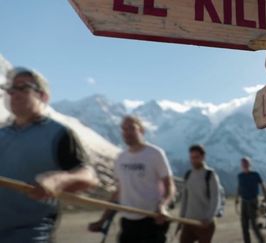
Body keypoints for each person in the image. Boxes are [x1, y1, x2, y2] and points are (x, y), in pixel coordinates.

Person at [0, 67, 99, 242]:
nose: (14, 93)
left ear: (43, 96)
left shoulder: (58, 134)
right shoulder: (2, 134)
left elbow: (89, 176)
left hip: (30, 236)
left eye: (23, 87)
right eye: (12, 89)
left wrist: (58, 180)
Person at [88, 116, 176, 243]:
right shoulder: (121, 158)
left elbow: (170, 186)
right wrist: (102, 220)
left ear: (142, 130)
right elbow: (119, 192)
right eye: (124, 129)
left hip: (152, 219)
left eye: (131, 128)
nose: (127, 132)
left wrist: (163, 206)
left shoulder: (155, 154)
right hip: (128, 221)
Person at [179, 145, 221, 243]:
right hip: (188, 222)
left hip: (204, 223)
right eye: (192, 157)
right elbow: (185, 198)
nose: (194, 160)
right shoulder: (188, 174)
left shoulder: (210, 175)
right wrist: (181, 218)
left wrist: (209, 218)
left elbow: (216, 198)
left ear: (203, 157)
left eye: (196, 157)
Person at [235, 157, 266, 243]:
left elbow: (262, 184)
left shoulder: (255, 174)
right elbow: (239, 187)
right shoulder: (240, 176)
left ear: (249, 164)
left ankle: (262, 240)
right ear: (241, 165)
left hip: (253, 201)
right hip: (244, 201)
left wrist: (265, 196)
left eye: (246, 163)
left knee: (253, 224)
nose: (245, 165)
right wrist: (237, 198)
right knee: (244, 225)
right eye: (243, 163)